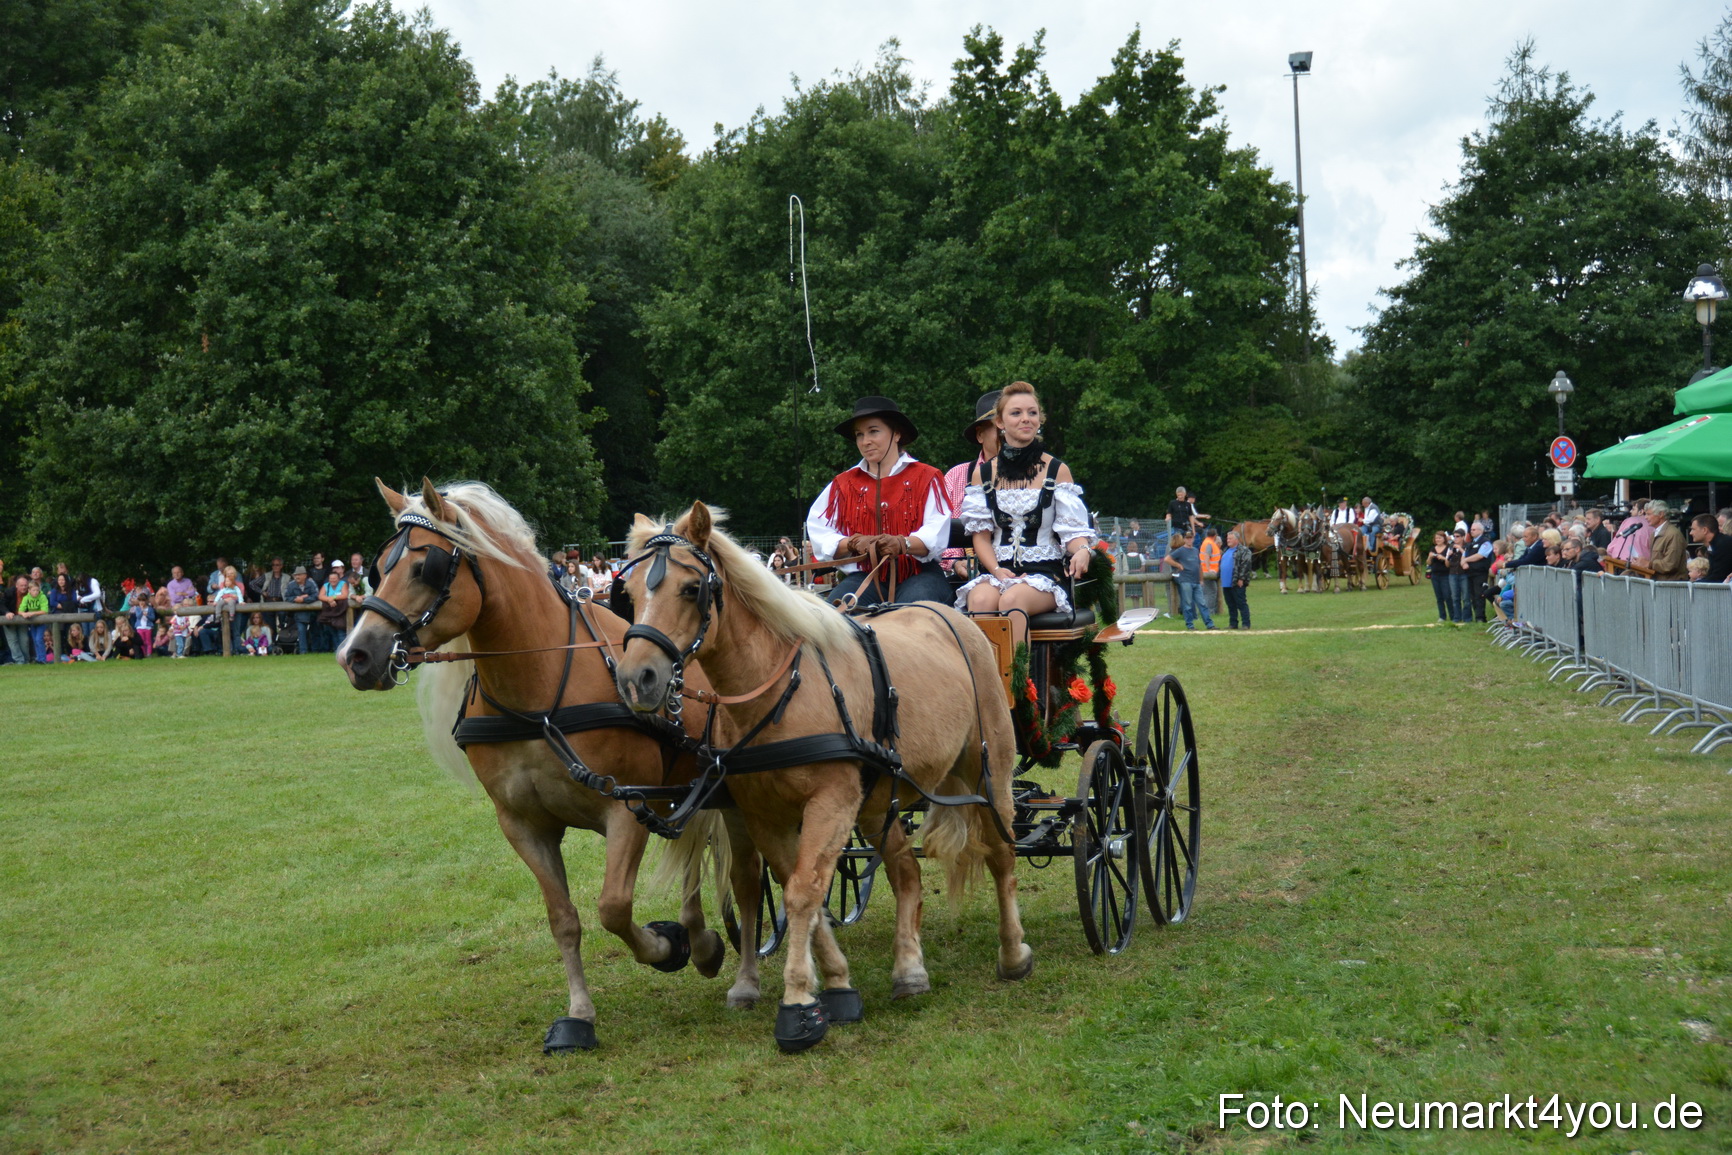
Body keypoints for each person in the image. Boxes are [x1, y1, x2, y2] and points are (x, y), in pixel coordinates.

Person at [955, 382, 1095, 642]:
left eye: (1032, 413)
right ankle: (986, 679)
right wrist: (996, 570)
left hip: (1045, 573)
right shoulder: (983, 474)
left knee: (1013, 598)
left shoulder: (1056, 470)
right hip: (999, 570)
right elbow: (981, 537)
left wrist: (1084, 549)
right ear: (1000, 421)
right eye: (1016, 413)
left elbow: (1073, 531)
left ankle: (1018, 681)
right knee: (980, 597)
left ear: (1039, 419)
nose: (1026, 419)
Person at [807, 395, 953, 609]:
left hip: (920, 574)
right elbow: (820, 533)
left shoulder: (926, 477)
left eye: (874, 431)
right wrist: (852, 542)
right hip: (864, 576)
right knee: (834, 615)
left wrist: (903, 543)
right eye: (859, 434)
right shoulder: (843, 483)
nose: (865, 441)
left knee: (912, 615)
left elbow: (936, 532)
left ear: (896, 434)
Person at [944, 390, 1002, 577]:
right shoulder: (956, 475)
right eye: (998, 426)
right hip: (970, 578)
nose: (1006, 432)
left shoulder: (1040, 474)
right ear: (980, 435)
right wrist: (955, 563)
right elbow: (941, 529)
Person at [1159, 529, 1214, 630]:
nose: (1189, 540)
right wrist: (1178, 565)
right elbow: (1167, 559)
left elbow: (1199, 565)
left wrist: (1201, 579)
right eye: (1187, 538)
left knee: (1202, 603)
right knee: (1187, 603)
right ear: (1184, 539)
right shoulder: (1180, 550)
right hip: (1185, 580)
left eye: (1191, 538)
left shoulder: (1195, 550)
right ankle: (1190, 625)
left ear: (1193, 539)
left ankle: (1209, 624)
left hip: (1196, 581)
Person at [1646, 501, 1687, 582]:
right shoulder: (1654, 533)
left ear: (1661, 514)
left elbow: (1670, 565)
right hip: (1661, 584)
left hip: (1672, 586)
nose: (1645, 517)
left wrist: (1648, 564)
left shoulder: (1673, 534)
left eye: (1649, 514)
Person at [316, 560, 352, 651]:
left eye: (335, 579)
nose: (333, 580)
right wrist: (329, 599)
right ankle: (336, 649)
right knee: (332, 632)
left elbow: (344, 595)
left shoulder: (343, 584)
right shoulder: (326, 585)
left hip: (340, 612)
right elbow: (320, 596)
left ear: (338, 579)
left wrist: (333, 597)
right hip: (329, 612)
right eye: (331, 579)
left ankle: (342, 650)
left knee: (341, 631)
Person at [285, 565, 319, 654]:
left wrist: (304, 599)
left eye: (299, 575)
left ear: (305, 575)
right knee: (301, 631)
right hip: (299, 614)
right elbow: (287, 597)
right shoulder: (291, 585)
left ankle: (315, 651)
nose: (297, 577)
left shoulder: (311, 583)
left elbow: (316, 595)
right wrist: (297, 598)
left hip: (312, 613)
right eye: (295, 575)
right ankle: (303, 651)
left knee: (315, 631)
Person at [1222, 529, 1252, 630]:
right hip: (1226, 583)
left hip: (1236, 582)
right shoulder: (1226, 550)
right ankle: (1233, 623)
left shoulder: (1243, 550)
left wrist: (1241, 578)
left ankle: (1246, 623)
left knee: (1241, 603)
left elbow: (1245, 565)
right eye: (1227, 538)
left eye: (1230, 538)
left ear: (1236, 540)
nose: (1228, 540)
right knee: (1230, 604)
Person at [1691, 513, 1732, 582]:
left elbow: (1718, 577)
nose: (1691, 533)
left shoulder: (1723, 545)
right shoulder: (1714, 545)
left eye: (1693, 529)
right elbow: (1711, 575)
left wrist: (1694, 585)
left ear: (1704, 530)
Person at [3, 575, 32, 664]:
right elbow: (1, 604)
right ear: (16, 585)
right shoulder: (9, 592)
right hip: (10, 620)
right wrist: (7, 612)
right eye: (21, 585)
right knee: (13, 641)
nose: (24, 587)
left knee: (24, 640)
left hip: (23, 619)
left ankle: (26, 661)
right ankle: (19, 661)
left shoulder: (31, 593)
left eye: (25, 585)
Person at [19, 578, 49, 662]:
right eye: (34, 590)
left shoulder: (42, 597)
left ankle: (42, 659)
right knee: (34, 640)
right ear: (29, 590)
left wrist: (32, 613)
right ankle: (38, 658)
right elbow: (20, 610)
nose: (36, 592)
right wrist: (23, 614)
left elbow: (45, 610)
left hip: (41, 622)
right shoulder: (26, 598)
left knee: (39, 639)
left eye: (37, 590)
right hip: (32, 622)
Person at [1425, 531, 1452, 623]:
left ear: (1444, 539)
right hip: (1435, 575)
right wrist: (1430, 557)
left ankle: (1452, 615)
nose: (1438, 540)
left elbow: (1449, 563)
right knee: (1439, 597)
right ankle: (1442, 616)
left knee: (1447, 596)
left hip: (1445, 575)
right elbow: (1428, 563)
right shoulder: (1433, 549)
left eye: (1440, 538)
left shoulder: (1448, 548)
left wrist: (1444, 558)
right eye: (1436, 538)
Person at [1446, 529, 1472, 623]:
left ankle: (1467, 618)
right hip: (1452, 573)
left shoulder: (1467, 546)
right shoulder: (1451, 547)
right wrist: (1448, 556)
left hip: (1463, 574)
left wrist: (1460, 549)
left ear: (1462, 537)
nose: (1455, 538)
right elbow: (1447, 564)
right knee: (1455, 597)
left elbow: (1468, 557)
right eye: (1454, 536)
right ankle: (1456, 617)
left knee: (1465, 597)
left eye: (1458, 536)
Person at [1197, 526, 1222, 617]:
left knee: (1209, 592)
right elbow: (1207, 556)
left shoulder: (1206, 542)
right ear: (1215, 536)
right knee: (1210, 593)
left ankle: (1209, 612)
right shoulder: (1209, 543)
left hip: (1207, 572)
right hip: (1208, 573)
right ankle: (1209, 612)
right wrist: (1208, 570)